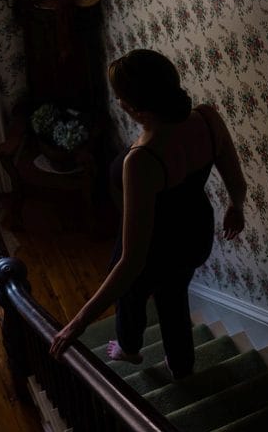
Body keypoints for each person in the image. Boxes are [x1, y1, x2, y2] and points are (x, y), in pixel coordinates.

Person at [49, 48, 247, 379]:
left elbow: (132, 262)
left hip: (158, 244)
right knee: (174, 297)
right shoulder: (208, 117)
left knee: (131, 287)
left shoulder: (142, 159)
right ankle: (182, 366)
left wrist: (76, 324)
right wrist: (235, 208)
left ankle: (128, 348)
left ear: (132, 107)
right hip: (196, 232)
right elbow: (236, 181)